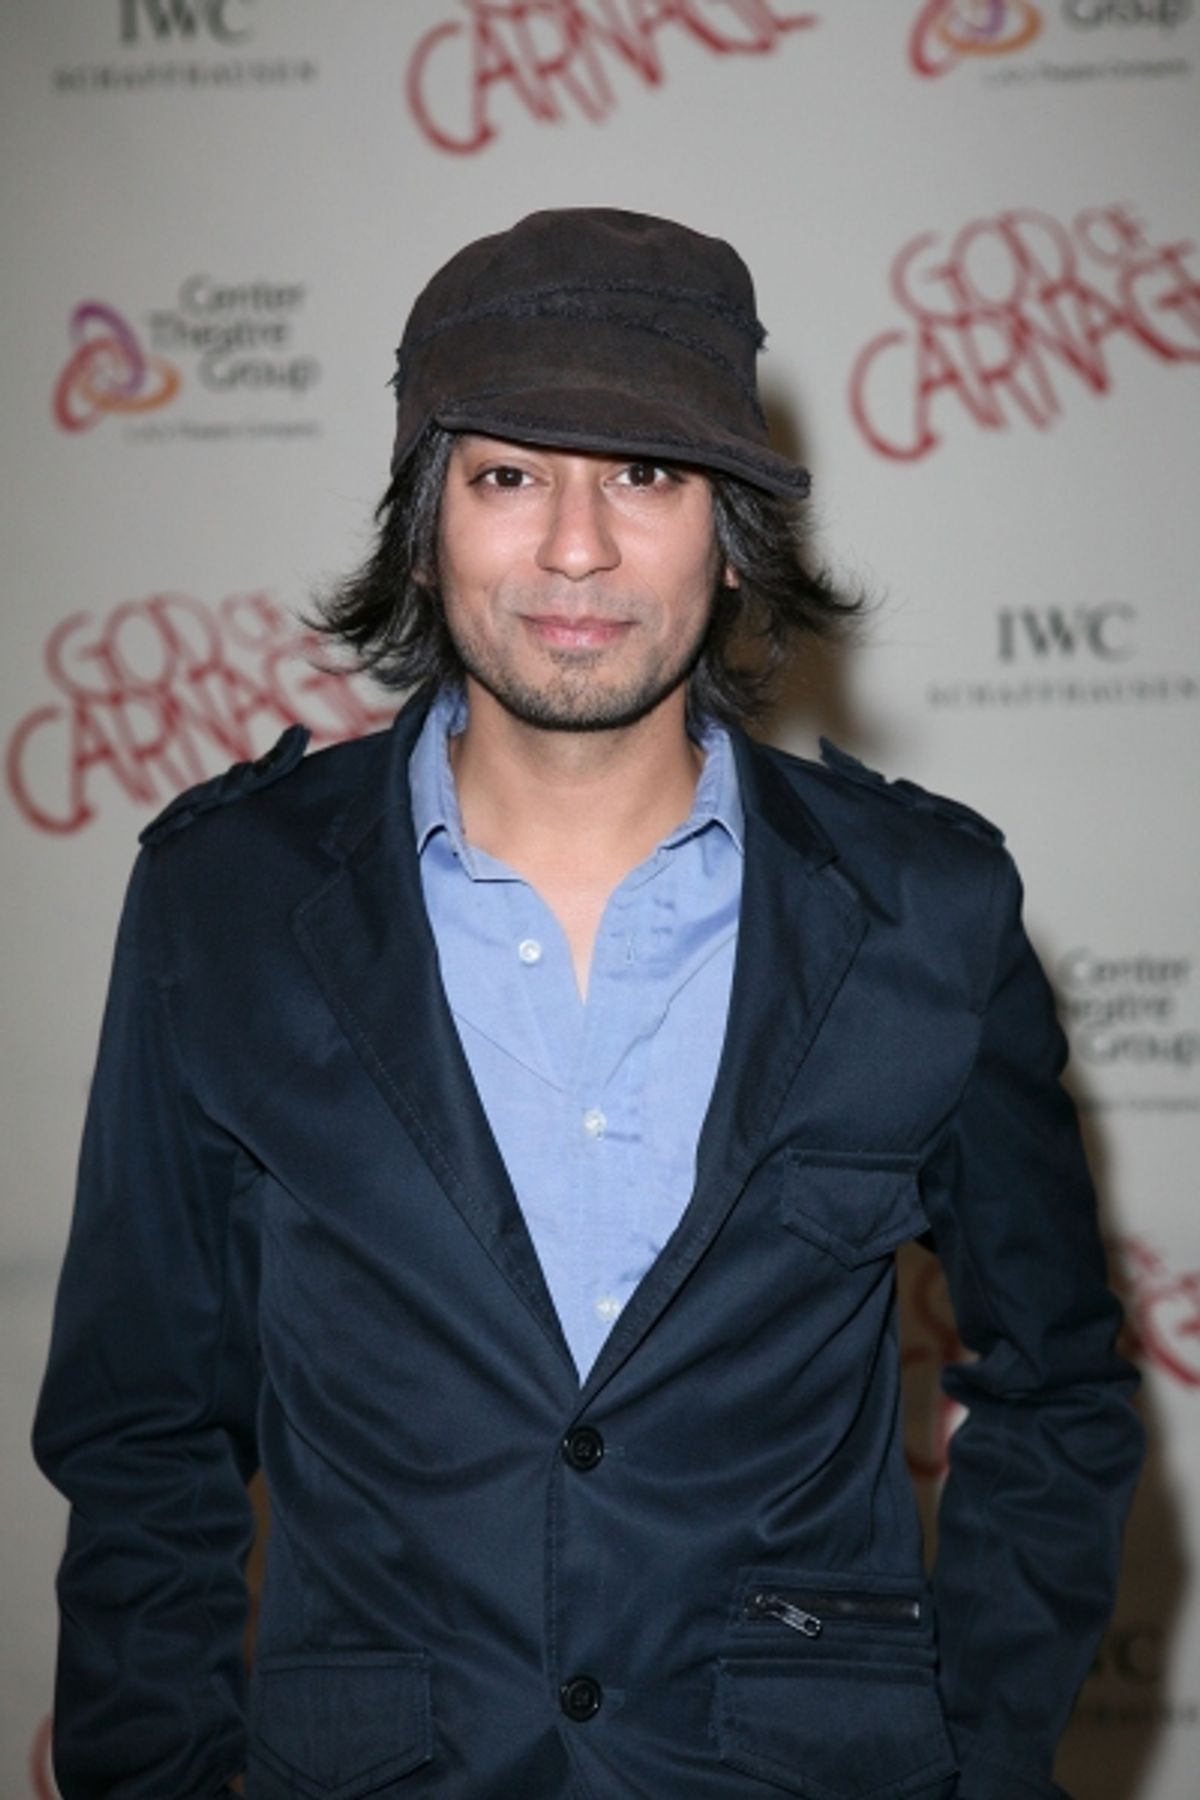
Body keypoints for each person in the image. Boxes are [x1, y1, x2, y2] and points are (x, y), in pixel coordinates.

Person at [34, 208, 1143, 1800]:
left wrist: (971, 1765)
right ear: (424, 524)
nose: (576, 548)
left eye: (646, 474)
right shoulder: (224, 904)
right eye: (507, 476)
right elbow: (144, 1433)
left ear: (732, 528)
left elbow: (1058, 1395)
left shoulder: (928, 912)